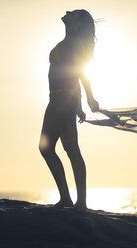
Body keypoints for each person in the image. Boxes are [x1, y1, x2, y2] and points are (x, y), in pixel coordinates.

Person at [39, 9, 99, 209]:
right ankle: (79, 202)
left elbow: (81, 72)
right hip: (65, 98)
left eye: (72, 13)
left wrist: (90, 98)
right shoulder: (70, 42)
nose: (67, 12)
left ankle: (68, 199)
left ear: (78, 23)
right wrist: (79, 106)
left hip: (61, 99)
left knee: (46, 148)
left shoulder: (73, 43)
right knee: (72, 149)